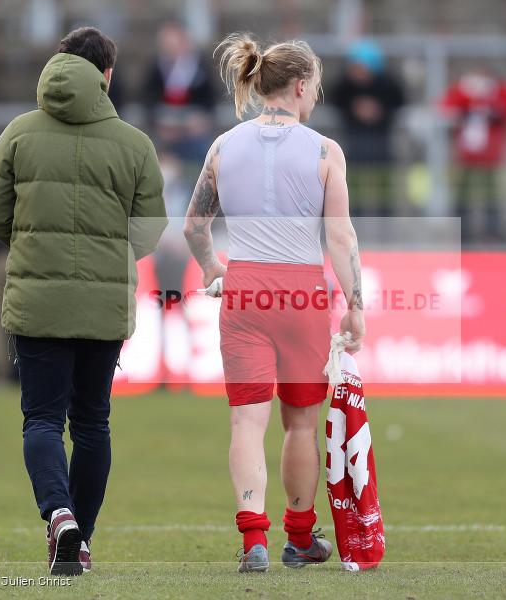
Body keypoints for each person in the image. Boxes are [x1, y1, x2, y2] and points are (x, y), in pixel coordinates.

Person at [0, 27, 167, 576]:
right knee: (91, 423)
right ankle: (80, 536)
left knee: (41, 419)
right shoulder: (134, 144)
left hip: (36, 300)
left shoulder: (18, 132)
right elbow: (150, 231)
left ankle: (58, 516)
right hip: (104, 308)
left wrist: (35, 242)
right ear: (107, 75)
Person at [183, 33, 365, 573]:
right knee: (301, 423)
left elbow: (195, 226)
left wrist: (215, 270)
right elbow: (342, 239)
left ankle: (253, 540)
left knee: (246, 422)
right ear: (301, 87)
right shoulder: (324, 151)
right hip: (302, 295)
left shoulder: (222, 145)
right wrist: (356, 304)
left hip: (244, 292)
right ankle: (300, 538)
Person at [440, 67, 506, 242]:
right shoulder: (462, 93)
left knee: (490, 193)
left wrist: (496, 109)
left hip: (491, 153)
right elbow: (446, 108)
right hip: (465, 154)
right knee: (462, 193)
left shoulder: (500, 94)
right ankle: (462, 231)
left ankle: (492, 232)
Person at [330, 40, 405, 216]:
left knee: (383, 186)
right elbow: (335, 99)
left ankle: (386, 223)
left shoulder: (388, 84)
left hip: (381, 142)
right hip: (354, 142)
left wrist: (379, 110)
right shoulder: (344, 85)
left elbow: (398, 101)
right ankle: (355, 219)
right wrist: (354, 109)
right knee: (354, 185)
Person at [143, 20, 216, 162]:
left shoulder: (200, 67)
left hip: (193, 131)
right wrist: (158, 122)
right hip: (164, 129)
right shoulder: (156, 68)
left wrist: (201, 120)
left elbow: (210, 100)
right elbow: (147, 99)